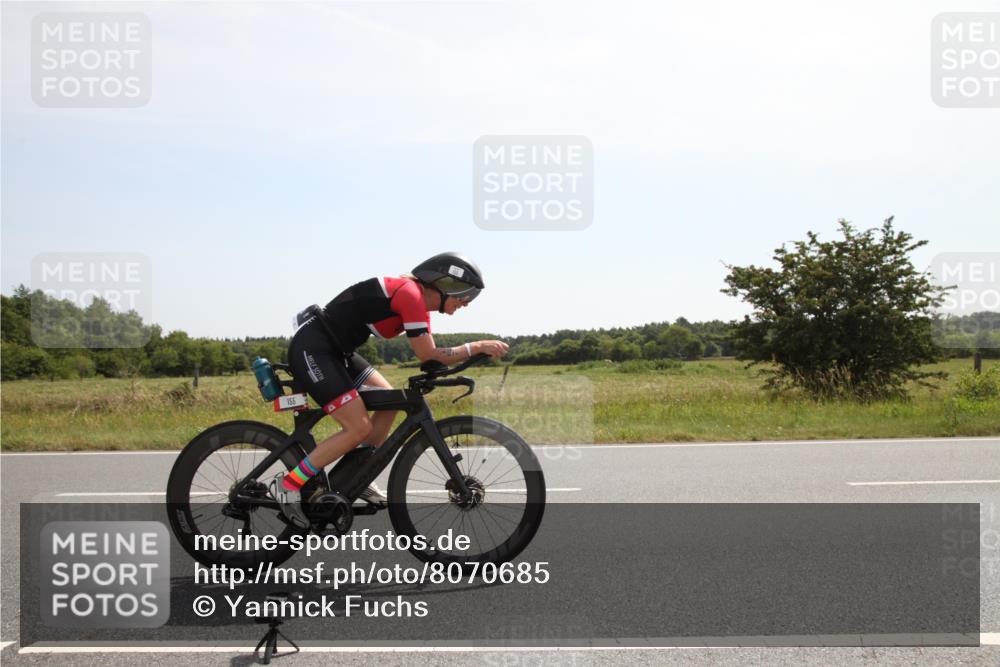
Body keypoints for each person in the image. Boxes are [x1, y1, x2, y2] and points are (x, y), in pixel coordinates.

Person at [269, 252, 509, 528]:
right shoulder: (410, 294)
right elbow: (429, 355)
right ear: (443, 284)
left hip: (337, 352)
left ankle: (357, 475)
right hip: (315, 349)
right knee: (357, 428)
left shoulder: (418, 305)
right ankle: (288, 484)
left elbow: (431, 359)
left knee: (391, 402)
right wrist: (476, 347)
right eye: (464, 293)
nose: (466, 302)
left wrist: (465, 357)